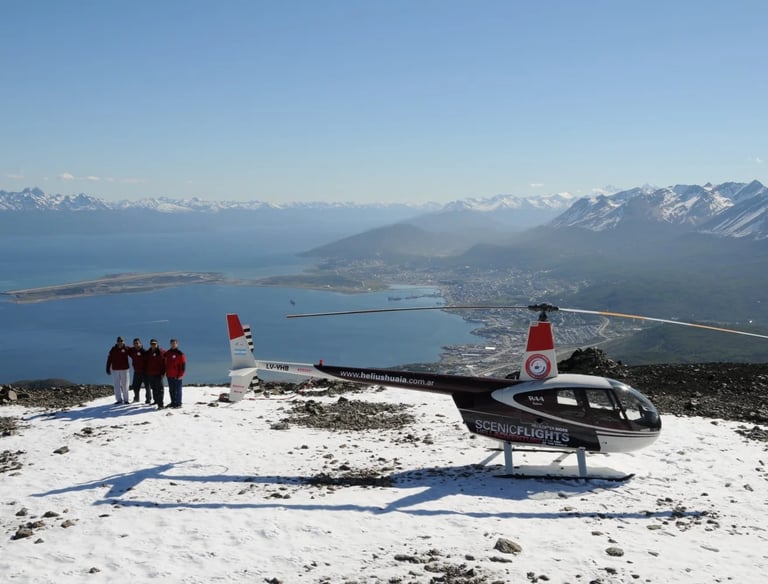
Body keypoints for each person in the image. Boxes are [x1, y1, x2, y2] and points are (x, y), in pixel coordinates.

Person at [105, 336, 131, 404]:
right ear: (117, 342)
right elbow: (109, 359)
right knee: (116, 385)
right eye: (119, 341)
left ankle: (126, 400)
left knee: (125, 385)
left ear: (123, 341)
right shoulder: (113, 349)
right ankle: (119, 400)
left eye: (121, 341)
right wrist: (107, 368)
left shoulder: (126, 348)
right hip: (115, 369)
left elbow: (134, 354)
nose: (120, 342)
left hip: (124, 369)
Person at [164, 338, 186, 408]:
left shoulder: (180, 353)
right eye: (172, 343)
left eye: (174, 343)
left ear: (177, 344)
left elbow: (183, 365)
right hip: (169, 375)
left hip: (177, 375)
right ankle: (173, 402)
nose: (173, 345)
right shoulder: (167, 353)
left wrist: (181, 375)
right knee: (171, 390)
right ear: (170, 344)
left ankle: (178, 403)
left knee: (178, 390)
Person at [144, 339, 166, 409]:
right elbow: (145, 362)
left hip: (159, 374)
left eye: (154, 344)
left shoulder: (161, 352)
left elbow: (164, 362)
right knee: (153, 388)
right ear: (150, 344)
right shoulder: (148, 352)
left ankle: (161, 404)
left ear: (157, 344)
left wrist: (163, 372)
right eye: (152, 344)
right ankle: (156, 401)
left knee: (160, 389)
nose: (153, 345)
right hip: (150, 373)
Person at [128, 338, 151, 404]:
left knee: (147, 386)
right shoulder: (132, 351)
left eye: (138, 343)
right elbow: (127, 349)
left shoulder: (144, 352)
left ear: (140, 344)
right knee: (135, 386)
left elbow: (149, 361)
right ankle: (136, 398)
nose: (136, 344)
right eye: (135, 343)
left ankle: (148, 399)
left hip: (145, 372)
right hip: (137, 372)